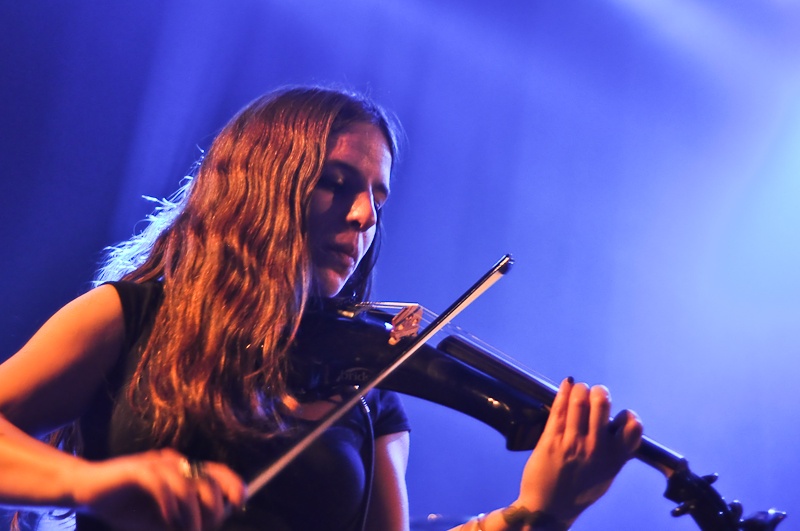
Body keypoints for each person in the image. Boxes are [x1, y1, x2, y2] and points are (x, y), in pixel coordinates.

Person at [0, 86, 642, 531]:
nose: (364, 216)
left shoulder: (368, 395)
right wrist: (86, 486)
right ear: (261, 188)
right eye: (336, 184)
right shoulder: (133, 317)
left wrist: (537, 512)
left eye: (377, 198)